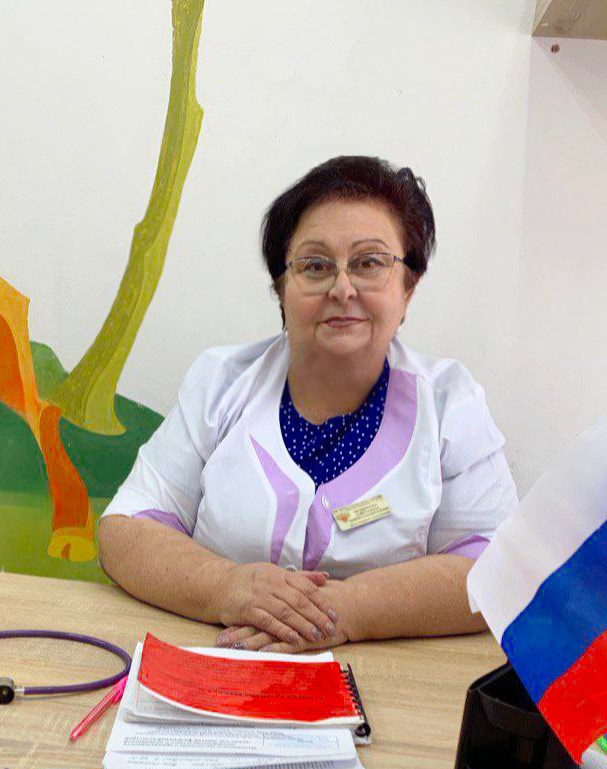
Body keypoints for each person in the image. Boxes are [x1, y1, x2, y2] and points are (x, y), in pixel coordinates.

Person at [97, 155, 518, 653]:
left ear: (408, 287)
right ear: (282, 287)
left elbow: (498, 569)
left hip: (380, 682)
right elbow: (126, 528)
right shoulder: (221, 380)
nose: (342, 288)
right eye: (315, 266)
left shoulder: (451, 403)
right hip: (218, 663)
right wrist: (227, 588)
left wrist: (349, 609)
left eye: (369, 263)